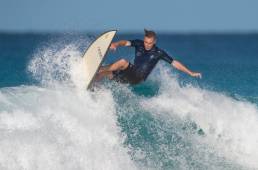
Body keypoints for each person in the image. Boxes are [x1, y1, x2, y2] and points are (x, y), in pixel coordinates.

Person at [96, 29, 201, 84]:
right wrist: (116, 44)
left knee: (123, 62)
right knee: (106, 74)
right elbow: (125, 42)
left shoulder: (158, 52)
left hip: (138, 78)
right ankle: (94, 87)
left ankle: (98, 69)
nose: (147, 44)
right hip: (128, 75)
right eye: (146, 42)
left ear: (154, 41)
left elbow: (175, 63)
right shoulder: (139, 43)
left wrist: (190, 73)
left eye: (150, 43)